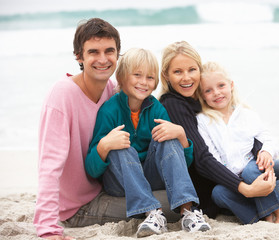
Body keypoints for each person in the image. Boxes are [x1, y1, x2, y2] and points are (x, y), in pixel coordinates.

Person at [158, 41, 279, 223]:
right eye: (177, 72)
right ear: (166, 75)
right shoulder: (183, 108)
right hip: (227, 184)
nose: (187, 78)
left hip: (250, 168)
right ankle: (270, 210)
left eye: (191, 70)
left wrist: (264, 156)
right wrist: (247, 188)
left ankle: (268, 202)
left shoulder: (217, 106)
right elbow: (203, 159)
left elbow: (255, 136)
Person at [85, 48, 211, 238]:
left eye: (150, 77)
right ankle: (152, 213)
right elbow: (92, 170)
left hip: (152, 176)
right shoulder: (109, 111)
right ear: (121, 77)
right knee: (120, 146)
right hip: (120, 181)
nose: (143, 82)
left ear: (155, 83)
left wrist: (181, 136)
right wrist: (104, 146)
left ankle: (188, 212)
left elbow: (181, 163)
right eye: (137, 75)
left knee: (168, 138)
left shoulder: (156, 108)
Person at [34, 18, 127, 240]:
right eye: (93, 52)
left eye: (109, 51)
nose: (103, 59)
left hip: (104, 188)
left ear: (118, 54)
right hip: (78, 208)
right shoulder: (62, 95)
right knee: (170, 205)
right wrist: (48, 231)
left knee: (178, 195)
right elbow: (49, 166)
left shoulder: (111, 90)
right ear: (79, 56)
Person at [197, 61, 279, 223]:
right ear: (202, 96)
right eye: (208, 90)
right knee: (218, 193)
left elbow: (268, 137)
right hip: (232, 180)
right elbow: (212, 157)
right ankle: (262, 217)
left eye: (221, 86)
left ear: (231, 85)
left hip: (254, 170)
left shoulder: (246, 114)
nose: (217, 93)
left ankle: (277, 211)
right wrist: (234, 181)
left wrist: (267, 151)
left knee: (250, 171)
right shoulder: (203, 120)